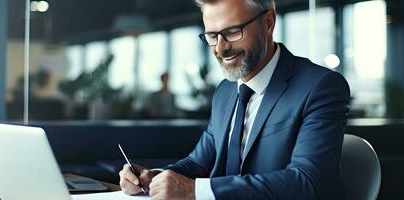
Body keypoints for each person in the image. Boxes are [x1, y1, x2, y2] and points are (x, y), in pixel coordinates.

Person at [119, 0, 350, 199]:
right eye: (212, 35)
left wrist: (193, 191)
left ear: (268, 23)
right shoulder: (225, 92)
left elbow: (308, 183)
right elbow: (198, 163)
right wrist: (154, 178)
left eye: (232, 32)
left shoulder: (319, 87)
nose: (220, 48)